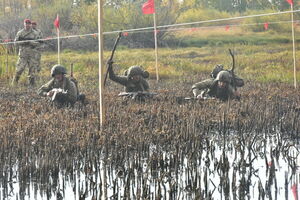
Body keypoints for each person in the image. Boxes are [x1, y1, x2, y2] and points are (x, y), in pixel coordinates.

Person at [12, 19, 39, 86]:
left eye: (28, 24)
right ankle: (14, 83)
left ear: (30, 24)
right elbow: (15, 43)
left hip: (32, 54)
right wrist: (24, 42)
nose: (27, 25)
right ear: (24, 24)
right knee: (19, 69)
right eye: (26, 23)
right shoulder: (20, 33)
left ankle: (32, 84)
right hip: (23, 55)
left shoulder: (35, 33)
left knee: (32, 70)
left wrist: (31, 43)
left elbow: (38, 43)